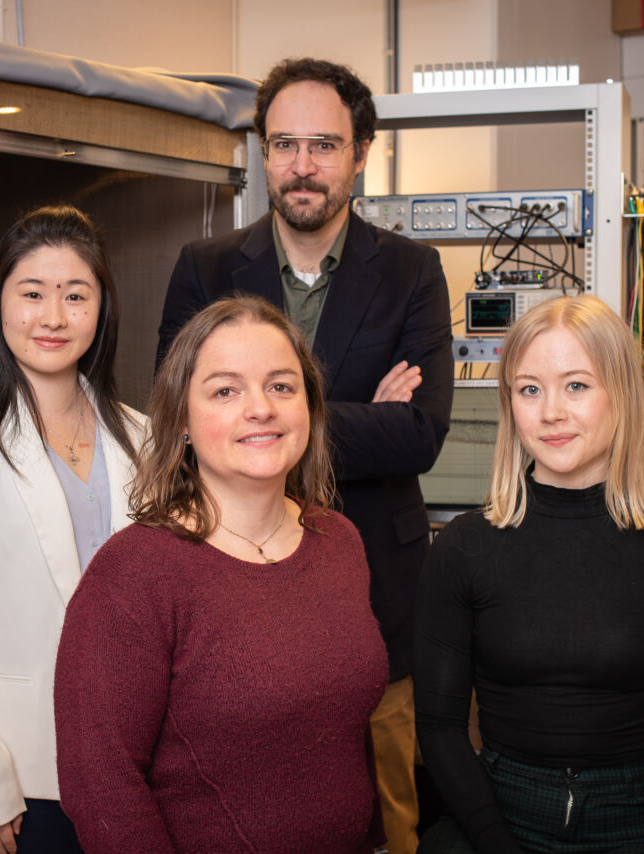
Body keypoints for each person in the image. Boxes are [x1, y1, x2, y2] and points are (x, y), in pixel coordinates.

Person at [157, 57, 454, 854]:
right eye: (283, 144)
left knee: (390, 815)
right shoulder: (207, 268)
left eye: (323, 145)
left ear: (362, 153)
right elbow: (177, 417)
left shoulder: (412, 271)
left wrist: (252, 431)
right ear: (262, 151)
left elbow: (421, 433)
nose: (301, 165)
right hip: (232, 590)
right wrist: (353, 417)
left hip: (378, 600)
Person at [56, 295, 389, 854]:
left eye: (282, 386)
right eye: (225, 391)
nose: (260, 408)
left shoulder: (338, 541)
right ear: (181, 421)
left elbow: (345, 734)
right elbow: (101, 786)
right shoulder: (134, 573)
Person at [414, 295, 644, 854]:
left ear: (623, 395)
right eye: (529, 389)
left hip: (633, 812)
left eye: (577, 386)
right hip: (496, 812)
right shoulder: (464, 548)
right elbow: (439, 728)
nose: (551, 412)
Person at [0, 205, 145, 854]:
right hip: (21, 772)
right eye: (32, 294)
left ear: (102, 309)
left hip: (136, 763)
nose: (53, 317)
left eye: (76, 296)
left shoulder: (144, 437)